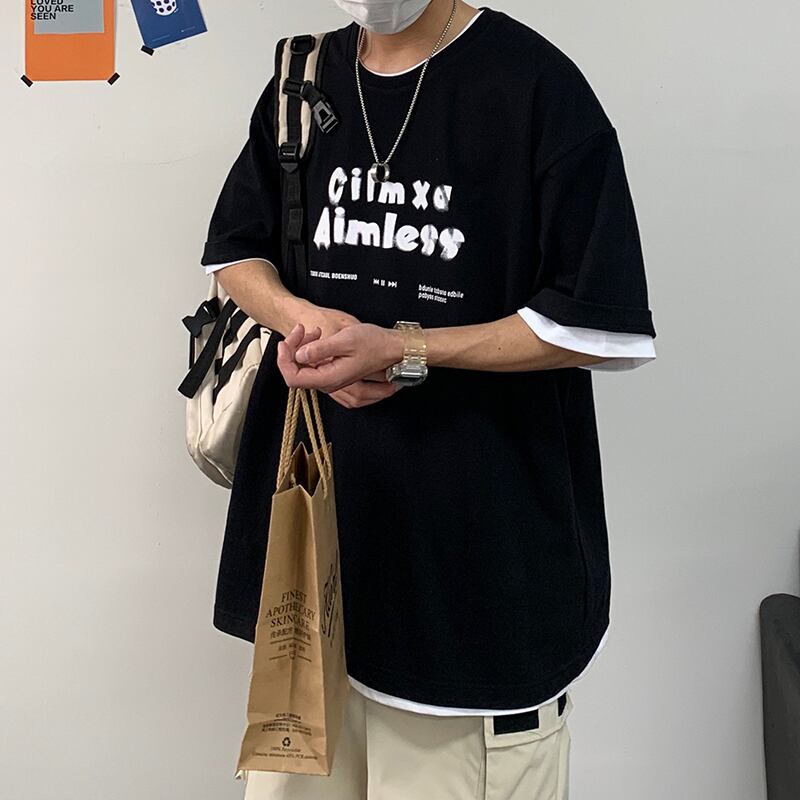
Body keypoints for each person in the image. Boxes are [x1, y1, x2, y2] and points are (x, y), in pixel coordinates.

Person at [200, 1, 657, 797]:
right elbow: (236, 253)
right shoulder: (302, 78)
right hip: (315, 583)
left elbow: (599, 324)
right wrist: (303, 318)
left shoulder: (535, 87)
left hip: (478, 592)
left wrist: (405, 348)